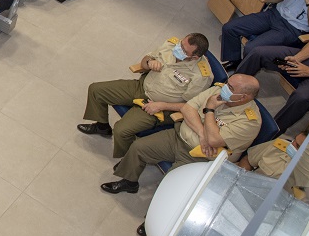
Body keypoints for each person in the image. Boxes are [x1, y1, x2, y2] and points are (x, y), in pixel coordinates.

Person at [101, 76, 261, 194]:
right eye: (227, 83)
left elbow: (214, 140)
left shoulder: (250, 121)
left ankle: (153, 219)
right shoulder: (217, 90)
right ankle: (129, 181)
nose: (225, 88)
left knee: (169, 187)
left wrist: (209, 109)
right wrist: (202, 133)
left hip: (202, 157)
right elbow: (187, 108)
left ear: (244, 97)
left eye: (231, 88)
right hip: (179, 136)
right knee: (138, 147)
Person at [79, 33, 216, 158]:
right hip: (142, 86)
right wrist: (149, 62)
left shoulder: (201, 76)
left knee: (121, 130)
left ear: (194, 57)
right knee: (96, 90)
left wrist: (161, 105)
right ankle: (102, 126)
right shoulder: (171, 45)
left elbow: (190, 106)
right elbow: (145, 60)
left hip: (160, 107)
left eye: (184, 50)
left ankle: (128, 157)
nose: (178, 49)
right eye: (181, 44)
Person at [236, 13, 309, 133]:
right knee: (258, 53)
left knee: (301, 97)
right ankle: (231, 90)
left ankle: (271, 131)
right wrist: (296, 59)